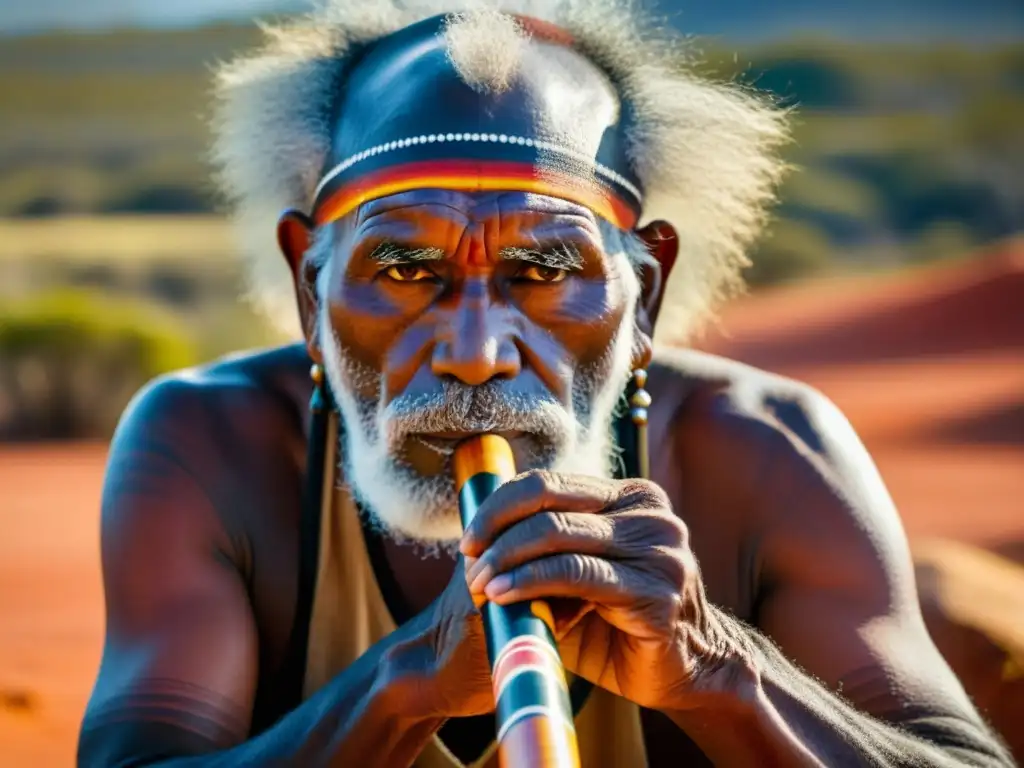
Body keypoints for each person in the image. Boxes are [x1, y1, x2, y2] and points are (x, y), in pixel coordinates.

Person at [77, 3, 1013, 766]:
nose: (477, 352)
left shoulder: (769, 446)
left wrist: (715, 667)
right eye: (405, 270)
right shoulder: (204, 445)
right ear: (310, 286)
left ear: (642, 293)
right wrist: (406, 683)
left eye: (544, 272)